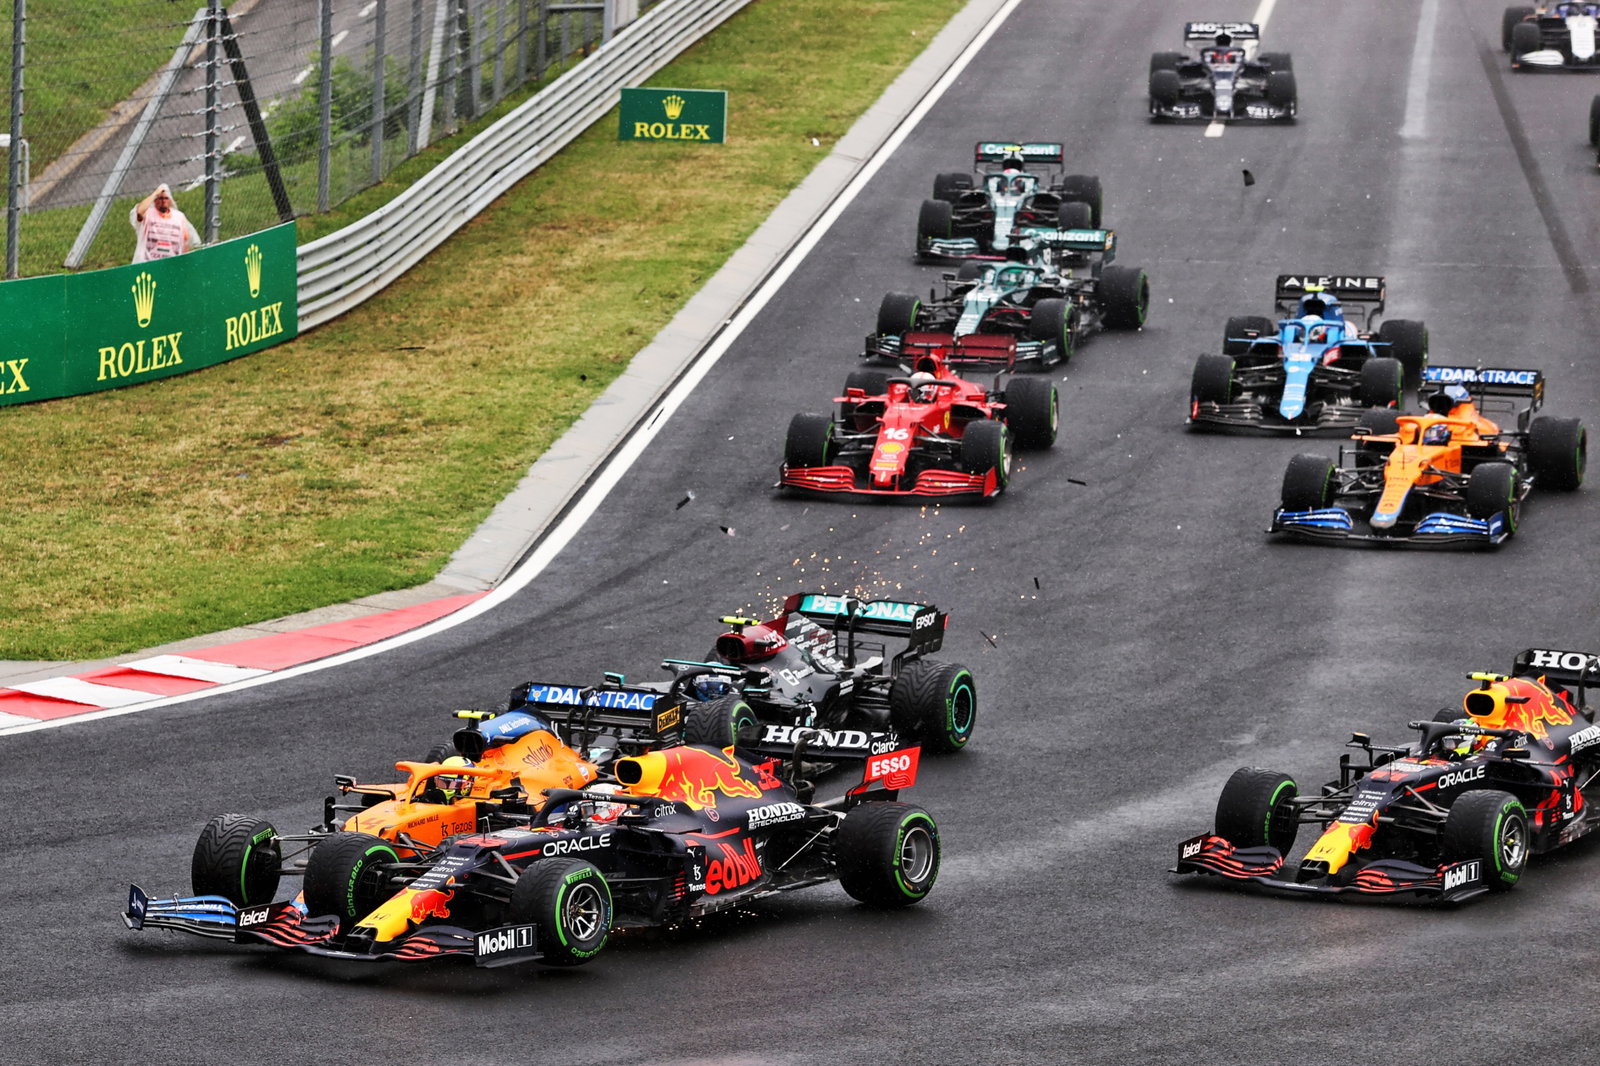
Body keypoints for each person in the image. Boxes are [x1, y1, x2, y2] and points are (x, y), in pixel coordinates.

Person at [129, 183, 200, 262]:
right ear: (155, 201)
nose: (163, 201)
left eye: (166, 198)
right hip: (148, 263)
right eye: (160, 198)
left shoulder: (179, 217)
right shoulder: (148, 214)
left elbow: (185, 241)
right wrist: (155, 193)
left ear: (170, 200)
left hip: (171, 264)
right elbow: (139, 212)